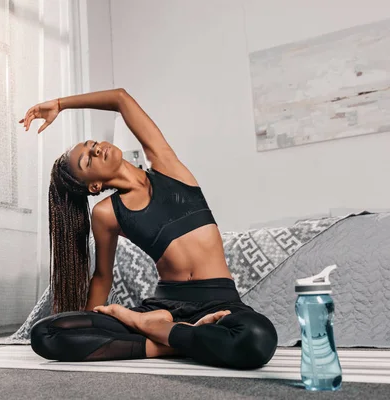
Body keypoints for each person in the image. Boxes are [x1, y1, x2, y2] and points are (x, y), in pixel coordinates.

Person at [20, 89, 277, 369]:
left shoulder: (168, 168)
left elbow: (120, 98)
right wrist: (94, 322)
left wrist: (60, 104)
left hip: (219, 304)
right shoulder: (107, 213)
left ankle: (160, 333)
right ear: (94, 186)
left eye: (91, 143)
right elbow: (102, 277)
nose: (96, 149)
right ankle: (176, 342)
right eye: (87, 160)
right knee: (46, 333)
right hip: (162, 309)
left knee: (258, 337)